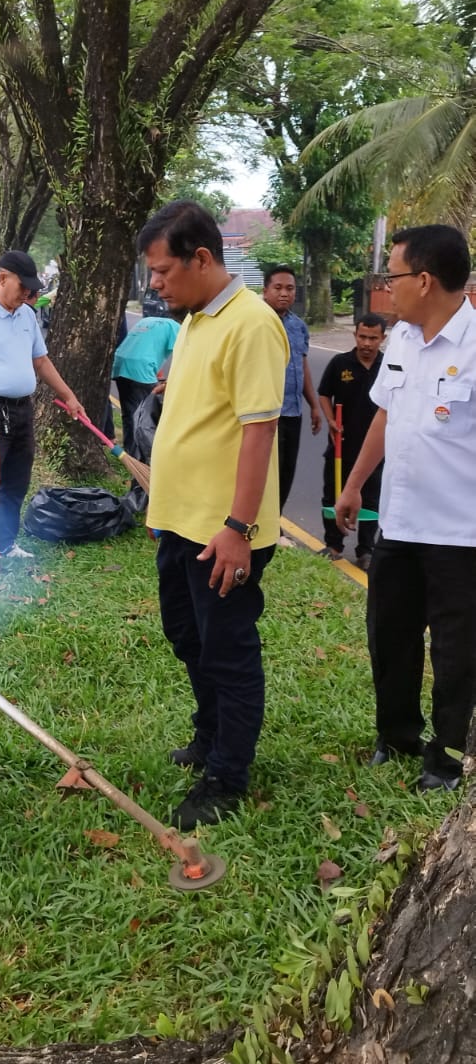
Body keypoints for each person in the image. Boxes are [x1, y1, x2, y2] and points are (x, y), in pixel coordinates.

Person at [141, 201, 289, 828]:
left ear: (202, 258)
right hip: (179, 521)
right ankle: (209, 734)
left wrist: (237, 529)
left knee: (227, 649)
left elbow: (259, 432)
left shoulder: (251, 323)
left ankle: (227, 775)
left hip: (224, 532)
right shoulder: (198, 318)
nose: (155, 284)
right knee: (187, 634)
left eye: (162, 270)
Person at [335, 225, 476, 793]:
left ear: (424, 279)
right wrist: (353, 486)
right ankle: (395, 738)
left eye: (391, 276)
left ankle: (444, 762)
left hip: (460, 536)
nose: (385, 288)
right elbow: (384, 419)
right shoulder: (402, 341)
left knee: (456, 654)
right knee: (389, 638)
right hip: (397, 523)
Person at [0, 250, 84, 577]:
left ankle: (3, 545)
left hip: (22, 411)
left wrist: (68, 395)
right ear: (2, 279)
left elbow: (40, 361)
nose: (28, 294)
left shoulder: (26, 316)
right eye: (23, 287)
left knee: (16, 481)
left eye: (31, 289)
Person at [317, 314, 385, 569]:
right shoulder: (340, 363)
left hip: (375, 451)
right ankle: (333, 544)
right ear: (355, 335)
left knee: (371, 500)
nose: (366, 343)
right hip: (341, 446)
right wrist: (331, 419)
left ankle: (366, 550)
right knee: (333, 496)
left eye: (373, 338)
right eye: (362, 337)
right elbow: (324, 394)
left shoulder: (388, 365)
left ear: (382, 338)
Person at [261, 266, 322, 515]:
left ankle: (275, 522)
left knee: (287, 472)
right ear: (265, 291)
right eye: (278, 288)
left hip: (293, 412)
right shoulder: (257, 322)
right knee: (267, 474)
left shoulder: (298, 327)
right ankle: (262, 523)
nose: (284, 293)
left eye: (290, 288)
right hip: (266, 414)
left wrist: (314, 405)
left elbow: (302, 365)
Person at [112, 314, 180, 456]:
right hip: (141, 368)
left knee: (129, 414)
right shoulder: (175, 327)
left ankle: (131, 454)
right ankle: (145, 457)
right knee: (145, 418)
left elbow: (146, 347)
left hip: (120, 363)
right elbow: (183, 355)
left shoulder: (148, 321)